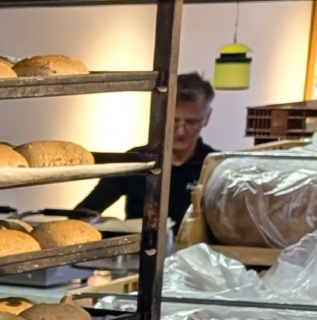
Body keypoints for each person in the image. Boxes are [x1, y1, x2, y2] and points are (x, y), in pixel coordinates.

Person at [76, 70, 215, 224]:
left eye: (191, 122)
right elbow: (82, 213)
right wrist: (110, 224)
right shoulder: (135, 160)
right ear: (161, 115)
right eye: (173, 121)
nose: (181, 131)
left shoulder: (216, 167)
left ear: (207, 118)